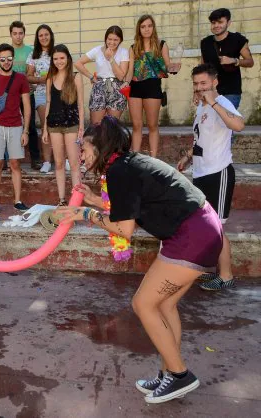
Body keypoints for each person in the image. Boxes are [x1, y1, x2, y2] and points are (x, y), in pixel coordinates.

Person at [55, 116, 223, 404]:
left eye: (84, 148)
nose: (81, 154)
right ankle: (170, 372)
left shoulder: (120, 171)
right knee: (165, 304)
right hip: (202, 228)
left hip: (192, 235)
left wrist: (85, 214)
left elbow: (124, 229)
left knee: (143, 304)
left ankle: (181, 375)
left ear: (101, 147)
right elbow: (128, 208)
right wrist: (95, 201)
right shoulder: (125, 165)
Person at [177, 64, 244, 291]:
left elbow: (239, 125)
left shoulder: (221, 102)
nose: (199, 88)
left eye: (203, 83)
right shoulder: (202, 107)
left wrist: (214, 102)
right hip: (202, 173)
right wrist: (187, 157)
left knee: (218, 228)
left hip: (219, 173)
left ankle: (226, 276)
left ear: (214, 82)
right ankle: (211, 271)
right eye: (196, 84)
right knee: (206, 227)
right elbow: (201, 140)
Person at [0, 43, 31, 215]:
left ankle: (17, 201)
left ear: (13, 59)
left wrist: (25, 131)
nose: (6, 62)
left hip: (16, 126)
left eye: (9, 59)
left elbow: (26, 105)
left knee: (15, 164)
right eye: (2, 59)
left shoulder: (21, 79)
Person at [124, 15, 175, 157]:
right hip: (135, 89)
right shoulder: (133, 47)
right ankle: (134, 157)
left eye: (149, 26)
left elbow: (168, 66)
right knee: (136, 125)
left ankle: (153, 160)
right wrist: (124, 84)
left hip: (153, 88)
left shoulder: (161, 45)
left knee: (152, 125)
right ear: (139, 29)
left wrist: (173, 67)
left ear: (153, 27)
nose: (146, 29)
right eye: (143, 26)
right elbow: (130, 72)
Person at [42, 44, 84, 206]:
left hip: (72, 124)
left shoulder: (75, 77)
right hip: (54, 125)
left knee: (74, 164)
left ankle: (75, 201)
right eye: (55, 58)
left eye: (62, 58)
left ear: (68, 58)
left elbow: (80, 104)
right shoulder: (50, 78)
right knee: (59, 163)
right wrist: (45, 128)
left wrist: (81, 127)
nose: (59, 61)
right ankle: (62, 200)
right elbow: (48, 102)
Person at [200, 8, 254, 110]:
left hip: (231, 92)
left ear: (228, 23)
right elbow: (202, 68)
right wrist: (198, 91)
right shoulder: (205, 42)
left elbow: (250, 62)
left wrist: (234, 61)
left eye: (220, 22)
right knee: (210, 124)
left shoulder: (238, 40)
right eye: (213, 22)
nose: (216, 25)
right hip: (209, 91)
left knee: (226, 123)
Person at [75, 26, 129, 124]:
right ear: (105, 38)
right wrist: (91, 76)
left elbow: (121, 76)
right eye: (110, 39)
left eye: (116, 40)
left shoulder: (124, 52)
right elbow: (78, 63)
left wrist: (111, 59)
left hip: (116, 87)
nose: (112, 42)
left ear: (120, 40)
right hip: (99, 87)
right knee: (96, 125)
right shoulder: (97, 50)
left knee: (113, 126)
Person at [9, 20, 41, 170]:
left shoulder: (30, 50)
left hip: (28, 93)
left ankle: (35, 158)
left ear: (24, 34)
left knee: (31, 126)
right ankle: (15, 160)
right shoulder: (7, 52)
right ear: (11, 35)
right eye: (15, 33)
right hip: (11, 96)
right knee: (13, 127)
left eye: (20, 33)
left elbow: (34, 72)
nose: (18, 36)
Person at [26, 24, 55, 173]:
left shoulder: (57, 51)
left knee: (61, 126)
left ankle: (65, 159)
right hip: (41, 94)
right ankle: (47, 161)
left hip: (58, 94)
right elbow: (28, 77)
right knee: (46, 126)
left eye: (46, 34)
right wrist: (42, 79)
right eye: (40, 35)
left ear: (51, 35)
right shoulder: (33, 55)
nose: (44, 37)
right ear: (37, 38)